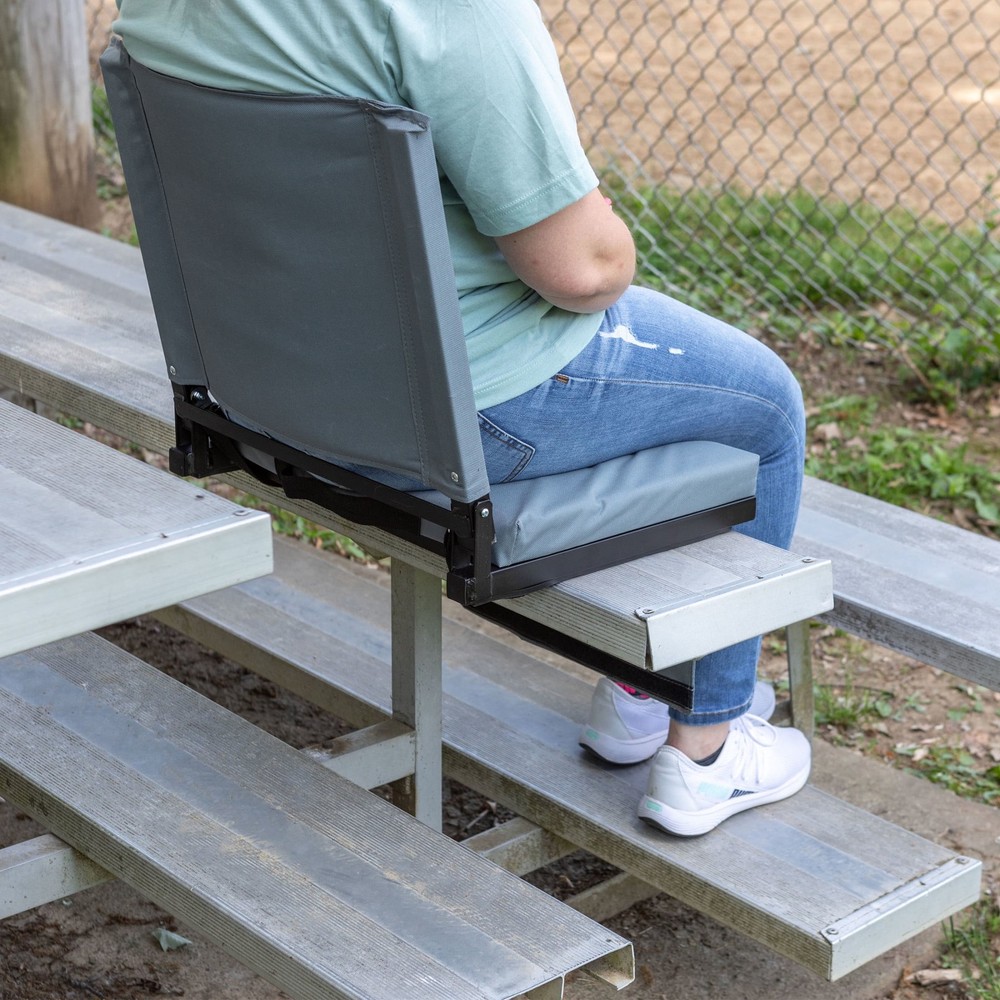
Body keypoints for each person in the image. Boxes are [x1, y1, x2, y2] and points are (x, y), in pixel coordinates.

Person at [112, 0, 811, 836]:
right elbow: (585, 270)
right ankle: (708, 745)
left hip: (265, 391)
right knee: (766, 405)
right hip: (460, 413)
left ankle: (638, 694)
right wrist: (607, 233)